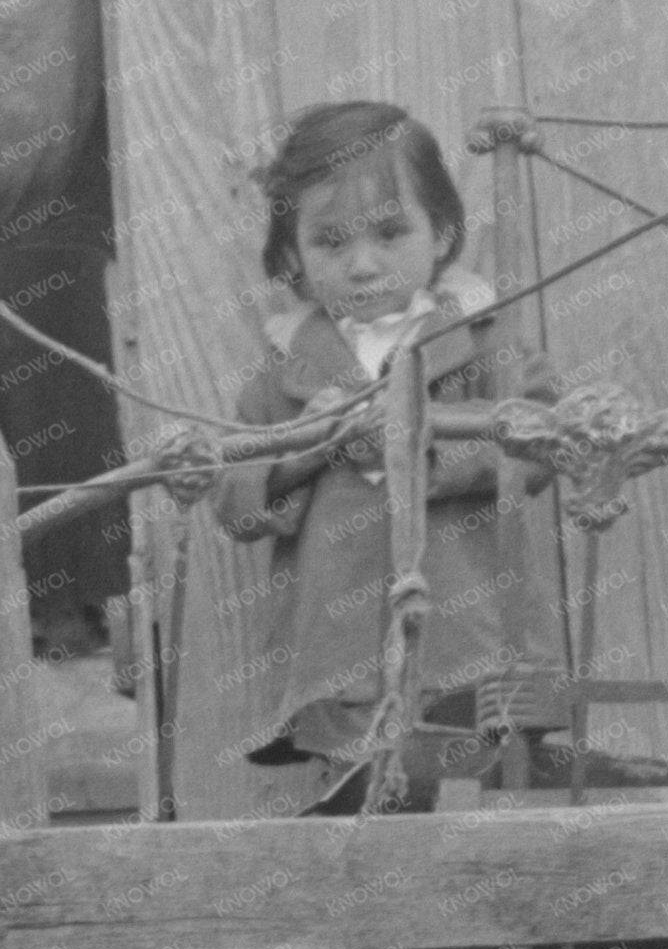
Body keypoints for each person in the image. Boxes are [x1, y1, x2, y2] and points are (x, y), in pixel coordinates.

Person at [211, 101, 565, 810]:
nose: (363, 263)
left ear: (443, 236)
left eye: (391, 232)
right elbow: (235, 499)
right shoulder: (286, 376)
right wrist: (309, 448)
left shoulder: (486, 346)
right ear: (295, 260)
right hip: (342, 652)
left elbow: (539, 439)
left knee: (479, 804)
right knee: (369, 805)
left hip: (472, 634)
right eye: (330, 242)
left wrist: (422, 446)